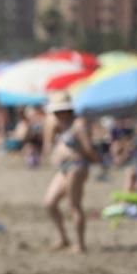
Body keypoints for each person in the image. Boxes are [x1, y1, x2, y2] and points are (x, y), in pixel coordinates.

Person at [43, 96, 99, 253]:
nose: (56, 114)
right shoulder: (61, 125)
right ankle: (63, 238)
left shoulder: (78, 124)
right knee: (49, 203)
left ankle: (80, 244)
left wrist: (97, 162)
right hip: (64, 168)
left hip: (76, 167)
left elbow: (88, 148)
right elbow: (49, 145)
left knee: (74, 206)